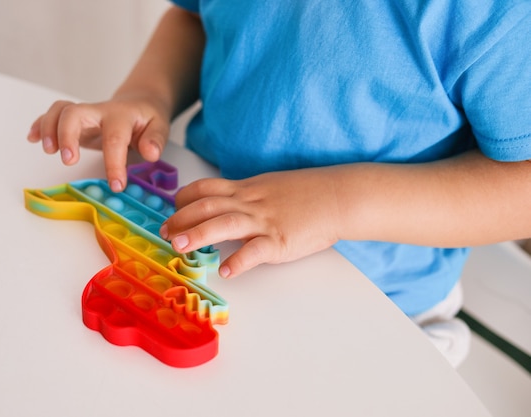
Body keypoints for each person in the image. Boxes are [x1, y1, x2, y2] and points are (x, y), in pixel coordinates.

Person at [27, 1, 531, 367]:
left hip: (380, 314)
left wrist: (337, 201)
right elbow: (195, 16)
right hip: (210, 252)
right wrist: (146, 94)